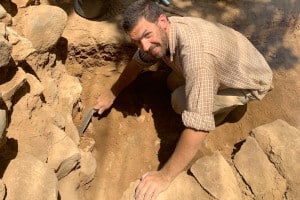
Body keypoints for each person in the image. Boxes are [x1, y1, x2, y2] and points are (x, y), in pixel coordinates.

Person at [94, 0, 273, 199]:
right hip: (229, 57)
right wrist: (113, 92)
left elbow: (198, 125)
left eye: (147, 35)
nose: (143, 46)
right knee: (172, 83)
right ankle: (213, 94)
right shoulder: (167, 31)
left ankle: (227, 111)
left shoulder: (197, 56)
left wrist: (164, 176)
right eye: (137, 41)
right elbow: (137, 63)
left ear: (162, 21)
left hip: (247, 80)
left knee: (179, 103)